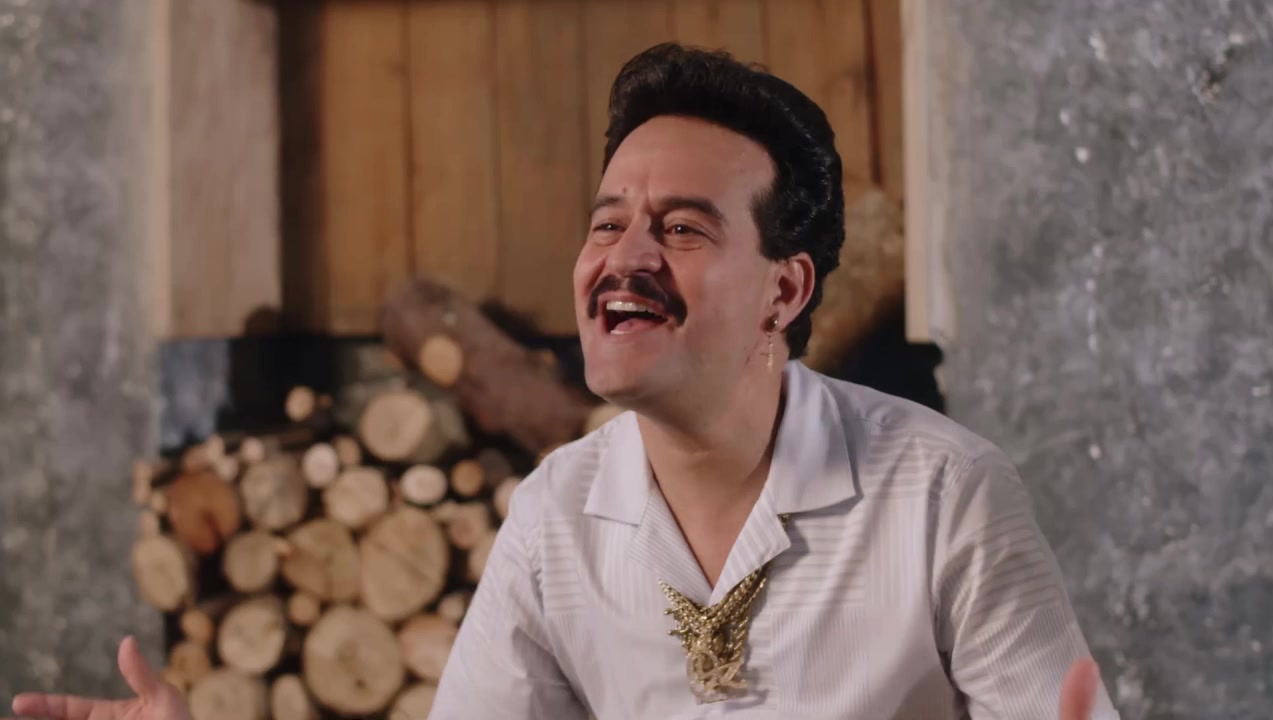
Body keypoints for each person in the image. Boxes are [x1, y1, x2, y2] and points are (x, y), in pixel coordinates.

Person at [8, 44, 1117, 720]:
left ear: (783, 291)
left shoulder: (945, 496)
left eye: (681, 228)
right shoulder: (555, 514)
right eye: (607, 223)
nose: (624, 258)